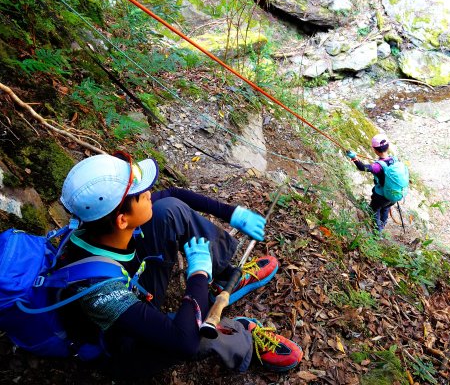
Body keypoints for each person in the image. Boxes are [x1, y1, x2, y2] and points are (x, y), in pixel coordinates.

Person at [57, 152, 302, 378]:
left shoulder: (96, 223)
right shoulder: (98, 291)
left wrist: (231, 213)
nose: (149, 194)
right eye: (142, 194)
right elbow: (182, 341)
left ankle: (222, 278)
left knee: (169, 210)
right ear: (122, 220)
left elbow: (174, 194)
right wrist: (197, 273)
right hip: (121, 345)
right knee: (195, 333)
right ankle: (240, 336)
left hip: (131, 285)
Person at [347, 134, 397, 233]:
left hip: (381, 196)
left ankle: (377, 232)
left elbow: (363, 167)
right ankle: (382, 224)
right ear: (388, 146)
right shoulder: (394, 160)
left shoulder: (378, 166)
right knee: (386, 208)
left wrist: (355, 158)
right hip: (394, 194)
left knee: (375, 210)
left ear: (375, 149)